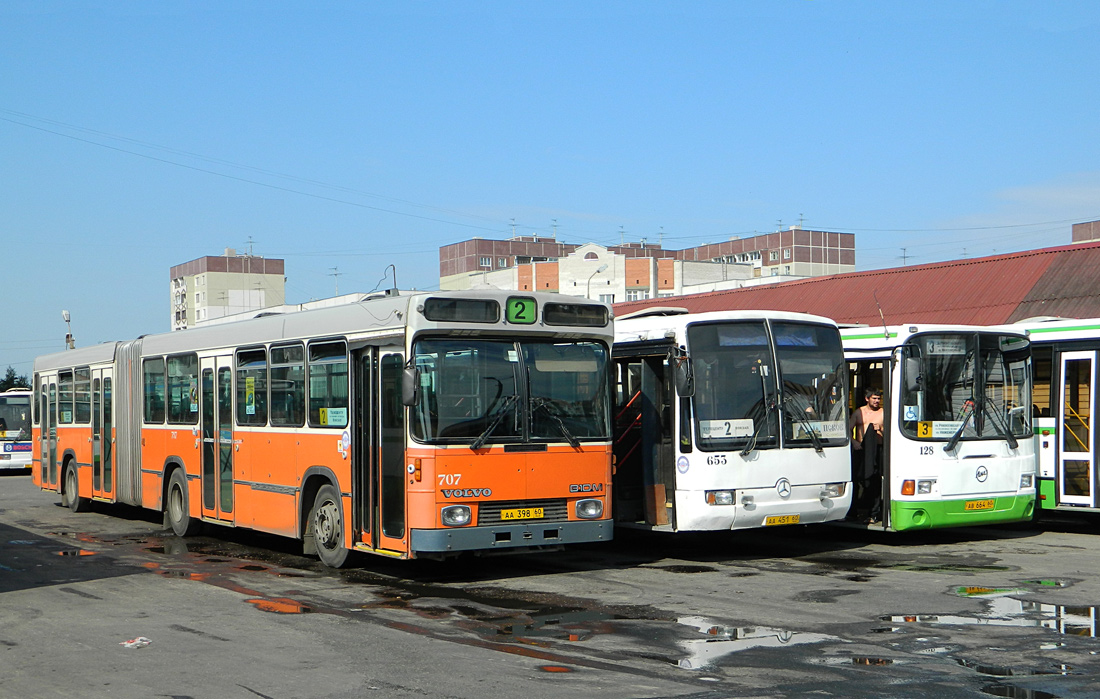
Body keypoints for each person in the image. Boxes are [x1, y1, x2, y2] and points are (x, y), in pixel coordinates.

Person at [850, 388, 884, 522]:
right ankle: (853, 512)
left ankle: (874, 513)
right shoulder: (859, 412)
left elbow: (892, 433)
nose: (876, 401)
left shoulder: (883, 413)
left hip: (877, 449)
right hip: (861, 449)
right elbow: (848, 430)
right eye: (874, 398)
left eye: (878, 399)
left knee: (875, 480)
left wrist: (880, 429)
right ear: (867, 398)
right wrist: (854, 442)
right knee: (857, 480)